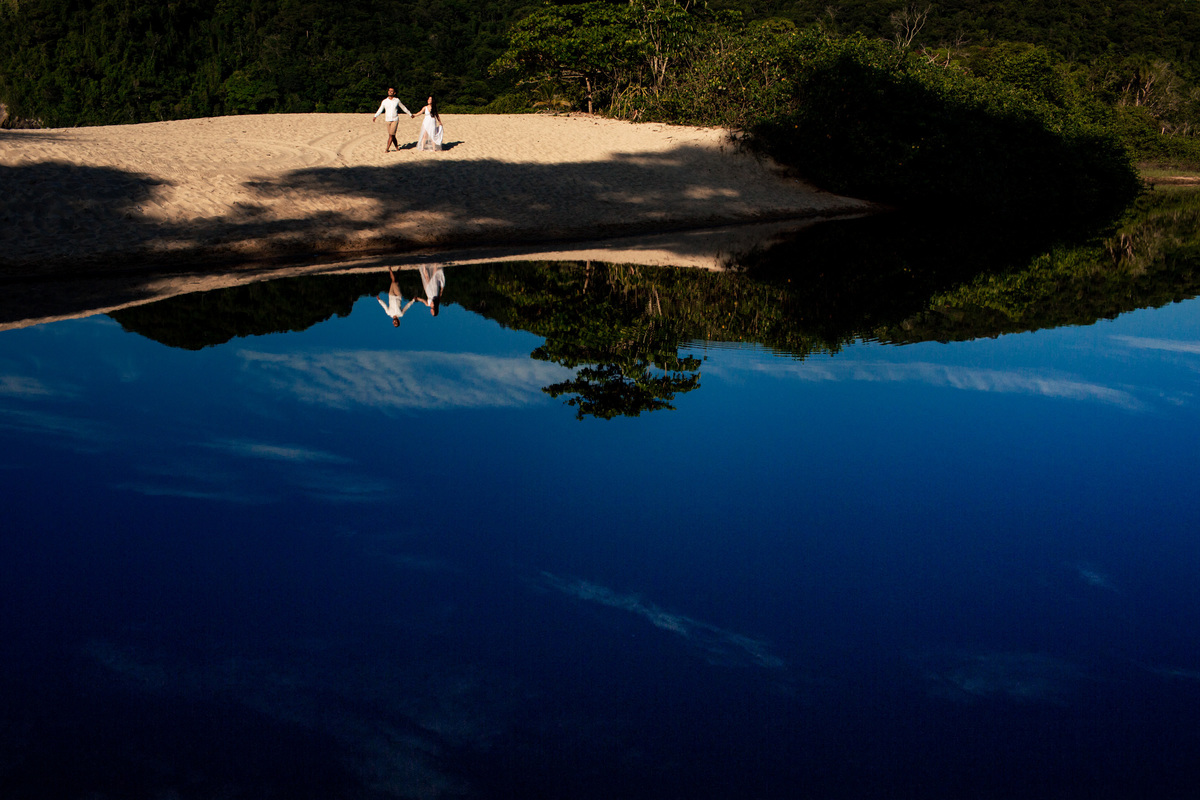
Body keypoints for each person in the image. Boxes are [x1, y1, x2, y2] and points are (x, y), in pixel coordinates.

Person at [372, 88, 412, 153]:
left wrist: (410, 114)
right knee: (392, 135)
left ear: (394, 93)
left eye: (392, 91)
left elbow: (403, 107)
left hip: (395, 119)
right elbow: (380, 109)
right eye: (389, 91)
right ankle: (396, 147)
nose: (390, 92)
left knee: (391, 135)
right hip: (387, 120)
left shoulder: (397, 100)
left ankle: (387, 149)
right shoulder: (384, 101)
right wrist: (375, 116)